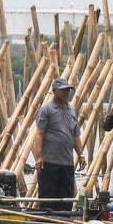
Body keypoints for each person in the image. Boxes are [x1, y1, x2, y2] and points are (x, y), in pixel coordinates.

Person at [33, 78, 86, 211]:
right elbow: (39, 134)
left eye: (67, 90)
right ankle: (47, 223)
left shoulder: (72, 110)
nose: (65, 93)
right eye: (62, 90)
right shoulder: (46, 110)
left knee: (66, 197)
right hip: (49, 161)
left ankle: (65, 220)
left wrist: (80, 155)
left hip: (67, 162)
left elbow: (76, 136)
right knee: (48, 197)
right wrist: (39, 156)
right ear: (54, 91)